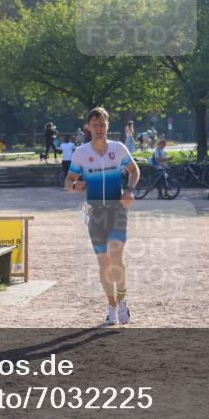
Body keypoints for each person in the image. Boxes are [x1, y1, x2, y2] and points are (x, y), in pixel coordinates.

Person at [66, 107, 140, 326]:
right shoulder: (81, 153)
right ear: (88, 127)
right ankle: (111, 305)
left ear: (108, 126)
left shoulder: (118, 149)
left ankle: (123, 300)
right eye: (95, 125)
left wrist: (129, 190)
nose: (99, 129)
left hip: (116, 209)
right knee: (104, 263)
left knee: (116, 256)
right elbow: (68, 181)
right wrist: (75, 186)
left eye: (102, 125)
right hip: (94, 213)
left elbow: (134, 171)